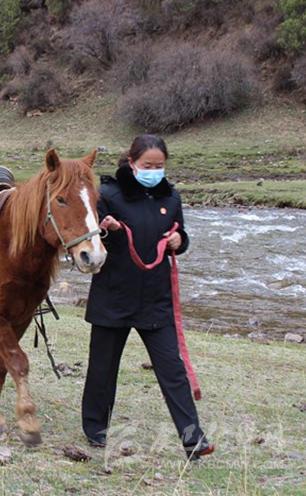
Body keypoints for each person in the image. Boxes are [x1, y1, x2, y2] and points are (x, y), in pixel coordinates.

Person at [81, 134, 214, 461]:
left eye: (159, 166)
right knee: (102, 369)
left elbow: (180, 234)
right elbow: (90, 242)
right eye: (147, 165)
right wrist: (106, 229)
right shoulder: (107, 194)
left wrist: (180, 241)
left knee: (173, 370)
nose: (154, 171)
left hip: (156, 298)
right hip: (113, 296)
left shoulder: (172, 196)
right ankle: (95, 429)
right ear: (132, 163)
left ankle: (193, 440)